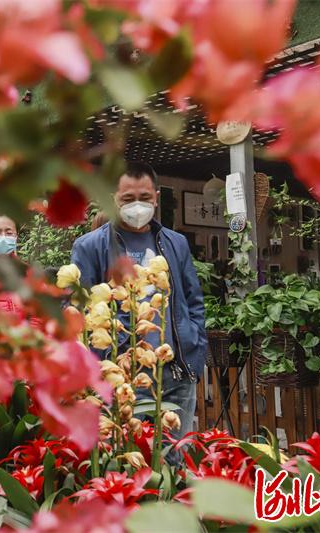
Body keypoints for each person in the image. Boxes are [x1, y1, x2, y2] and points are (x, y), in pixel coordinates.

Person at [70, 161, 207, 442]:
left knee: (175, 459)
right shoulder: (90, 246)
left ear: (156, 197)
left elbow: (194, 301)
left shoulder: (175, 243)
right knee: (124, 464)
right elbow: (78, 312)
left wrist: (195, 345)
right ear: (113, 199)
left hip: (175, 374)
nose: (137, 206)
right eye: (128, 199)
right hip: (119, 377)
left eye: (144, 198)